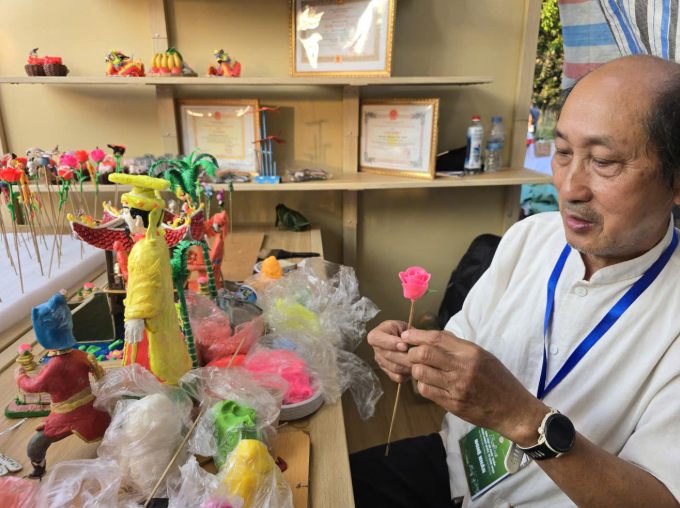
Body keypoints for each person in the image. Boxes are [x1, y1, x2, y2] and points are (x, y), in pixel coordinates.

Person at [354, 55, 680, 508]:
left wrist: (522, 419)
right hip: (456, 468)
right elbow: (464, 341)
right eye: (562, 152)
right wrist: (416, 352)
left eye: (604, 161)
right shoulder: (532, 236)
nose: (569, 188)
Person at [14, 294, 110, 479]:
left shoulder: (54, 366)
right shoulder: (81, 354)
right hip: (91, 405)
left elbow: (33, 386)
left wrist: (20, 377)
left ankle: (38, 469)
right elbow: (99, 372)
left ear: (45, 336)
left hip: (66, 414)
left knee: (35, 445)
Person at [110, 173, 192, 385]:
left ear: (138, 219)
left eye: (126, 214)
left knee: (148, 362)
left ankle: (150, 387)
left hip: (148, 317)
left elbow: (146, 285)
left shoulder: (145, 249)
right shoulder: (156, 241)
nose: (125, 219)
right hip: (159, 312)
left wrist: (136, 316)